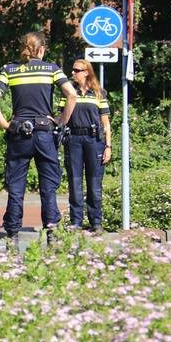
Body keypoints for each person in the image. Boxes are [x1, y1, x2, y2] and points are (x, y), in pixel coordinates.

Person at [0, 31, 77, 248]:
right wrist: (61, 121)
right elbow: (72, 95)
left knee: (16, 188)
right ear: (42, 49)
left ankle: (12, 235)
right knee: (48, 188)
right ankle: (52, 234)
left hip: (18, 134)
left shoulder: (10, 70)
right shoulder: (52, 69)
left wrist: (5, 124)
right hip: (44, 133)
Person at [57, 59, 111, 232]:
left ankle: (96, 222)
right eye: (72, 70)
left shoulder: (99, 93)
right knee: (75, 182)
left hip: (94, 140)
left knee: (94, 183)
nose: (73, 73)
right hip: (73, 139)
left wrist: (108, 146)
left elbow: (106, 123)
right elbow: (61, 117)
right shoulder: (68, 92)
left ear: (87, 72)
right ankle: (76, 222)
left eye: (77, 70)